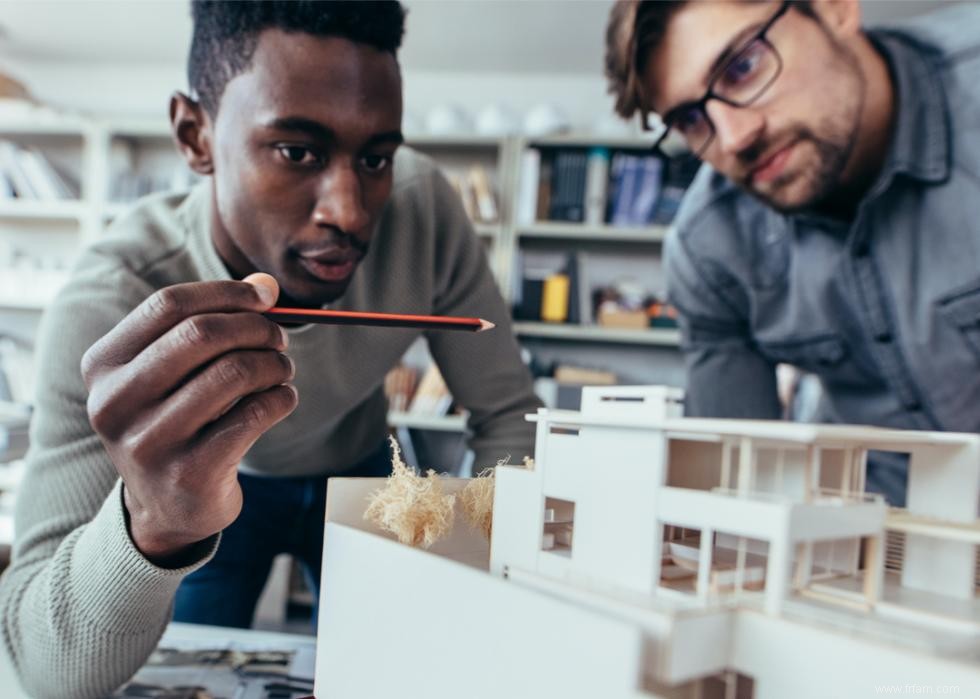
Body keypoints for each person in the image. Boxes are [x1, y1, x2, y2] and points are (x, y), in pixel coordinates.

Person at [0, 2, 540, 696]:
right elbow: (40, 673)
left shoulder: (425, 208)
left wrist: (479, 569)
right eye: (297, 151)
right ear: (194, 135)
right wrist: (154, 524)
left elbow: (509, 417)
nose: (349, 211)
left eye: (375, 158)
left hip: (361, 470)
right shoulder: (112, 299)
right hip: (216, 493)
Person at [605, 0, 980, 506]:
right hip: (888, 546)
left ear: (835, 9)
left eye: (742, 67)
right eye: (692, 120)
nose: (734, 139)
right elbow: (732, 498)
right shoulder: (711, 249)